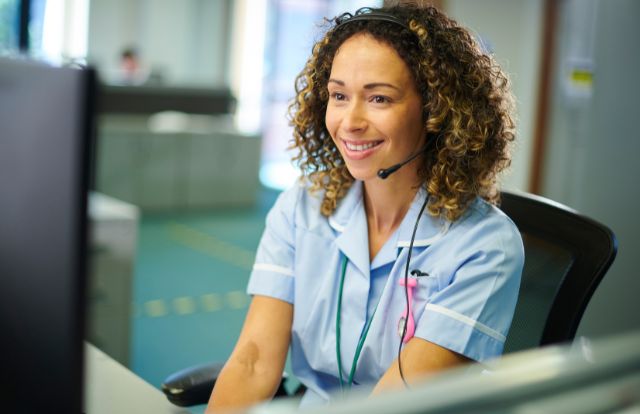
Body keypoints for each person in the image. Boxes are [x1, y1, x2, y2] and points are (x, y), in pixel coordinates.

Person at [207, 4, 524, 411]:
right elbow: (253, 362)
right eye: (339, 95)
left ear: (435, 111)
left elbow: (397, 403)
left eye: (379, 98)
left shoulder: (484, 246)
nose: (350, 121)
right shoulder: (303, 206)